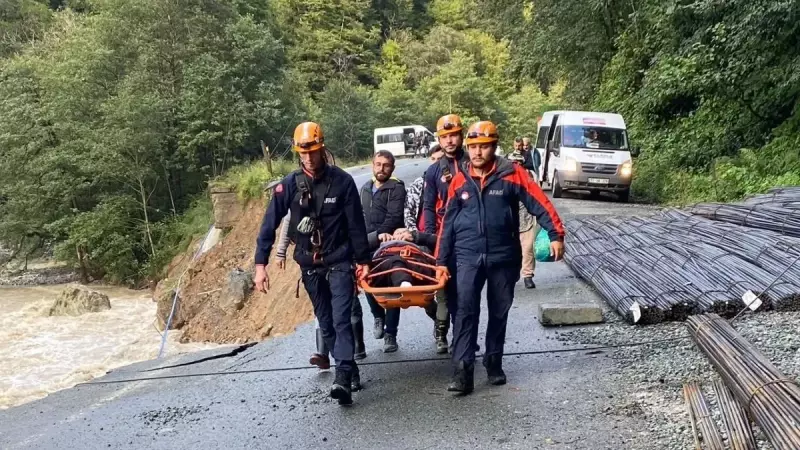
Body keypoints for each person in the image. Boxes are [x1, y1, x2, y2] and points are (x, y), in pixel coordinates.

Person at [435, 121, 566, 395]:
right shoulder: (459, 181)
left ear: (494, 147)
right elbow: (447, 224)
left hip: (503, 255)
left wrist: (556, 234)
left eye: (483, 147)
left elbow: (539, 202)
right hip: (467, 256)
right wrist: (441, 263)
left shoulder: (512, 174)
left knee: (499, 311)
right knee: (465, 312)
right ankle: (463, 373)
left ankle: (493, 362)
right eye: (472, 147)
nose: (477, 153)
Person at [254, 121, 371, 406]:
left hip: (339, 261)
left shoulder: (342, 182)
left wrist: (363, 262)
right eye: (303, 152)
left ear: (322, 149)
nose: (308, 157)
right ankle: (349, 368)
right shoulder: (288, 186)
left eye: (313, 151)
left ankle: (342, 376)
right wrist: (261, 264)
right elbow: (269, 225)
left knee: (342, 319)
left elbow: (356, 225)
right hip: (309, 265)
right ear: (298, 153)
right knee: (327, 323)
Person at [274, 213, 367, 368]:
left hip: (339, 259)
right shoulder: (298, 200)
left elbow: (356, 222)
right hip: (312, 263)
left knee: (345, 312)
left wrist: (360, 257)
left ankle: (356, 348)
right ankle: (328, 355)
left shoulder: (339, 193)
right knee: (323, 314)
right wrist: (280, 252)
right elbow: (288, 220)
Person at [422, 114, 468, 353]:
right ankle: (441, 332)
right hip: (443, 238)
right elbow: (428, 206)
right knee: (442, 290)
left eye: (453, 135)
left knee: (466, 291)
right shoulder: (432, 172)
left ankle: (463, 336)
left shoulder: (474, 163)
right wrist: (430, 237)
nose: (449, 141)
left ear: (461, 135)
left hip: (470, 238)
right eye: (445, 137)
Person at [360, 150, 407, 352]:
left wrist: (380, 235)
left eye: (386, 165)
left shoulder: (396, 188)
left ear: (392, 168)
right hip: (367, 244)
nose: (381, 168)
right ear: (372, 165)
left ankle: (391, 334)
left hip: (389, 244)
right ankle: (377, 315)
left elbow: (395, 217)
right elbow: (358, 217)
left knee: (391, 288)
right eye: (378, 164)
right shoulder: (365, 188)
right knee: (368, 281)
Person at [506, 138, 540, 289]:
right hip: (507, 221)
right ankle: (510, 274)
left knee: (527, 248)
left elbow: (539, 198)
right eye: (513, 163)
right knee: (510, 250)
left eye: (518, 163)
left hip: (526, 217)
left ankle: (528, 275)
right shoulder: (502, 178)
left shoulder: (529, 177)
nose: (516, 166)